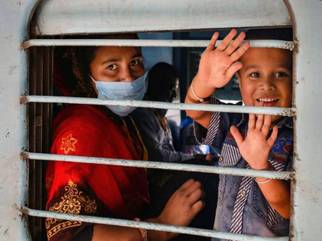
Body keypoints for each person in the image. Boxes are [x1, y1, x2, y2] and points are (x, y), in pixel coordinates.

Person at [45, 35, 204, 241]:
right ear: (85, 74)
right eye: (112, 67)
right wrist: (162, 227)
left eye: (135, 63)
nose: (128, 78)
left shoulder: (120, 120)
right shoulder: (81, 129)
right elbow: (68, 234)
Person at [185, 28, 293, 238]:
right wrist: (204, 81)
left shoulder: (300, 137)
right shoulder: (234, 121)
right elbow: (195, 111)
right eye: (254, 74)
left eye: (281, 74)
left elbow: (291, 207)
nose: (266, 85)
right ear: (239, 79)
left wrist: (262, 167)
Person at [131, 62, 218, 241]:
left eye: (174, 90)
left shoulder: (161, 118)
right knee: (203, 175)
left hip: (165, 176)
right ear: (153, 85)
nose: (171, 94)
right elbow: (157, 157)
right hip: (151, 184)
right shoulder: (143, 113)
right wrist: (192, 158)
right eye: (168, 87)